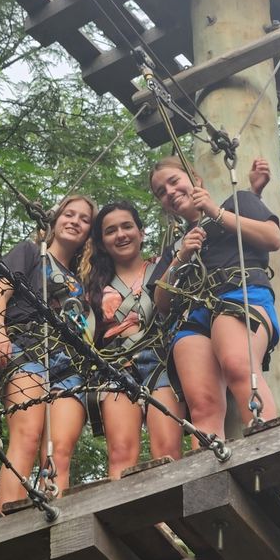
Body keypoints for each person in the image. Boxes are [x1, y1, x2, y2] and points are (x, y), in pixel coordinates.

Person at [148, 157, 280, 439]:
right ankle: (210, 476)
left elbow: (272, 238)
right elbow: (161, 301)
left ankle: (269, 446)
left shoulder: (238, 202)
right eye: (162, 192)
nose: (170, 192)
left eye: (174, 182)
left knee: (238, 364)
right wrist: (182, 256)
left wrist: (213, 211)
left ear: (195, 179)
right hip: (193, 316)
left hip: (238, 293)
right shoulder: (176, 246)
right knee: (202, 404)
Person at [0, 195, 96, 508]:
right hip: (28, 348)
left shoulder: (81, 282)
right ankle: (8, 525)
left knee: (58, 450)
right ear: (54, 219)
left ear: (89, 232)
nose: (74, 221)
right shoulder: (31, 252)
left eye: (84, 219)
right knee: (27, 436)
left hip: (69, 365)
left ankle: (54, 521)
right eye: (68, 214)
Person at [86, 200, 185, 478]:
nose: (121, 234)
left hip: (160, 362)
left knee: (167, 450)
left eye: (127, 226)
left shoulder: (164, 267)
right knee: (121, 454)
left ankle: (172, 519)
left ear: (141, 232)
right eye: (111, 230)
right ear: (103, 242)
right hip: (115, 366)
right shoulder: (94, 285)